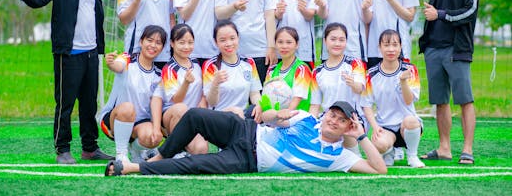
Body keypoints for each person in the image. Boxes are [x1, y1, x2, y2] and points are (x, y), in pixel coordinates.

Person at [14, 0, 113, 164]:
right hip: (68, 54)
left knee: (89, 104)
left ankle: (90, 148)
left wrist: (99, 48)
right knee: (65, 104)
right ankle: (63, 149)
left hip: (90, 54)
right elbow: (37, 1)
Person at [103, 101, 387, 176]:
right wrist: (277, 114)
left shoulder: (337, 157)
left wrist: (361, 135)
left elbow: (379, 168)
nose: (333, 121)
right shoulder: (305, 117)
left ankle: (132, 167)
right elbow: (271, 116)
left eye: (340, 120)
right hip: (245, 130)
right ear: (325, 114)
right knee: (194, 115)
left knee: (197, 164)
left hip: (248, 159)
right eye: (332, 115)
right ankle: (162, 156)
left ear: (345, 127)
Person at [418, 0, 479, 165]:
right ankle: (444, 148)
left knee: (464, 100)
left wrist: (440, 14)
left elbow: (470, 12)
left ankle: (467, 149)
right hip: (434, 48)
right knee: (440, 101)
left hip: (457, 49)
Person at [100, 25, 167, 163]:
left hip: (140, 124)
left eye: (158, 42)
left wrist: (157, 129)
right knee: (128, 108)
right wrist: (111, 63)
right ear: (141, 42)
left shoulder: (159, 75)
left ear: (162, 48)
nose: (153, 45)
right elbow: (117, 66)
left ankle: (136, 149)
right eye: (149, 40)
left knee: (154, 138)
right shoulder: (127, 59)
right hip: (115, 119)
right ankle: (121, 155)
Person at [361, 29, 425, 168]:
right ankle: (388, 152)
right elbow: (366, 105)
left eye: (395, 45)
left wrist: (403, 82)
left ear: (400, 47)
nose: (391, 49)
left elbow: (409, 101)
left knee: (411, 121)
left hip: (406, 126)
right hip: (386, 127)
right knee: (379, 144)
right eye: (386, 45)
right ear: (379, 48)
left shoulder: (409, 69)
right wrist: (375, 127)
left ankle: (412, 156)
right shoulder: (371, 74)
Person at [157, 24, 208, 155]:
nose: (187, 47)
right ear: (172, 43)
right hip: (173, 116)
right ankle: (175, 150)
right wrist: (186, 82)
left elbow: (204, 88)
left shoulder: (196, 64)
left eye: (190, 42)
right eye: (182, 42)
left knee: (201, 150)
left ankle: (186, 149)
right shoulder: (169, 68)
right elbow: (176, 100)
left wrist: (203, 99)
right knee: (181, 108)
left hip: (193, 118)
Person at [202, 20, 263, 121]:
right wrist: (215, 83)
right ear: (215, 42)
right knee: (236, 112)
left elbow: (254, 93)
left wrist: (259, 105)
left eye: (232, 38)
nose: (229, 43)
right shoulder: (211, 66)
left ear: (238, 38)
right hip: (219, 117)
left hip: (243, 116)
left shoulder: (249, 63)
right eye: (223, 40)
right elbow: (212, 102)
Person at [311, 23, 367, 122]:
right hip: (328, 118)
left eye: (342, 40)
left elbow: (359, 89)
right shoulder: (317, 72)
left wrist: (353, 84)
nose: (337, 44)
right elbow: (315, 105)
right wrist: (309, 126)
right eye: (333, 39)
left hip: (352, 118)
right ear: (325, 41)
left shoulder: (355, 63)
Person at [263, 26, 316, 114]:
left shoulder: (302, 69)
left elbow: (297, 98)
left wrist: (285, 114)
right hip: (274, 118)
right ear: (275, 44)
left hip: (296, 118)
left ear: (297, 44)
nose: (284, 46)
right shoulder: (272, 69)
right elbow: (266, 94)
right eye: (280, 42)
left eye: (289, 42)